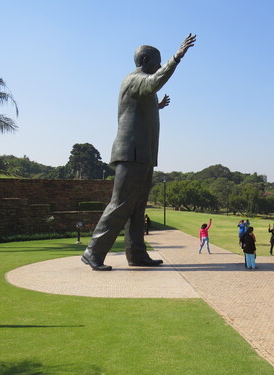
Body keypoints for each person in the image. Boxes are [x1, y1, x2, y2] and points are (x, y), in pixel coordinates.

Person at [81, 34, 196, 271]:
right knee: (121, 204)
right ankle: (93, 251)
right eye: (157, 61)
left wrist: (157, 105)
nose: (159, 65)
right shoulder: (135, 79)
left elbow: (142, 102)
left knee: (137, 208)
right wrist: (176, 58)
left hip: (143, 154)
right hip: (131, 153)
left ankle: (136, 255)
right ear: (145, 60)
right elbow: (154, 82)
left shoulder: (142, 87)